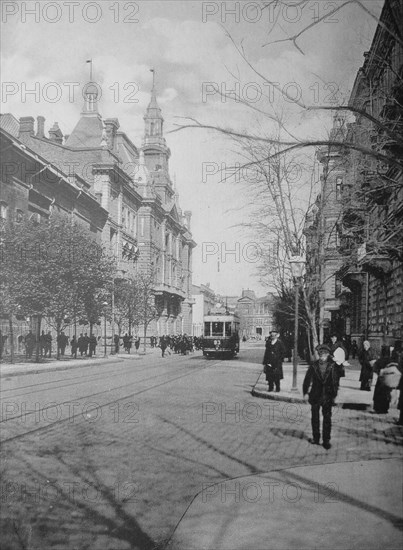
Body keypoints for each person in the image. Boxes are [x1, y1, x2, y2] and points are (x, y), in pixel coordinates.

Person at [303, 343, 340, 450]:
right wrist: (305, 392)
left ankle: (326, 440)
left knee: (327, 418)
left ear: (328, 355)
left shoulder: (332, 366)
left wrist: (334, 394)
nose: (322, 356)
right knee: (315, 417)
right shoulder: (314, 365)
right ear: (318, 355)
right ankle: (316, 438)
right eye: (321, 354)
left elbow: (335, 382)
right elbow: (307, 379)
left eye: (324, 354)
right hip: (315, 394)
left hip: (327, 396)